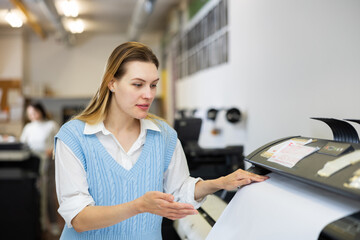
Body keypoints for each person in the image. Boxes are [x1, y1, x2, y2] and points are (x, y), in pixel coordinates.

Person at [54, 41, 269, 240]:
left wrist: (220, 183)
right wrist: (138, 206)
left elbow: (179, 192)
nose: (148, 94)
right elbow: (79, 218)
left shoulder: (163, 135)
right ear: (112, 83)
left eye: (153, 85)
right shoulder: (74, 137)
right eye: (138, 85)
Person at [20, 102, 60, 233]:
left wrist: (52, 150)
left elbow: (60, 142)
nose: (32, 115)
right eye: (29, 113)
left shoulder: (51, 125)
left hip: (47, 161)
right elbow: (22, 145)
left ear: (41, 111)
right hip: (32, 162)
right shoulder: (28, 127)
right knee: (33, 193)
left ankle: (53, 223)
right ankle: (39, 222)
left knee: (48, 194)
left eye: (34, 112)